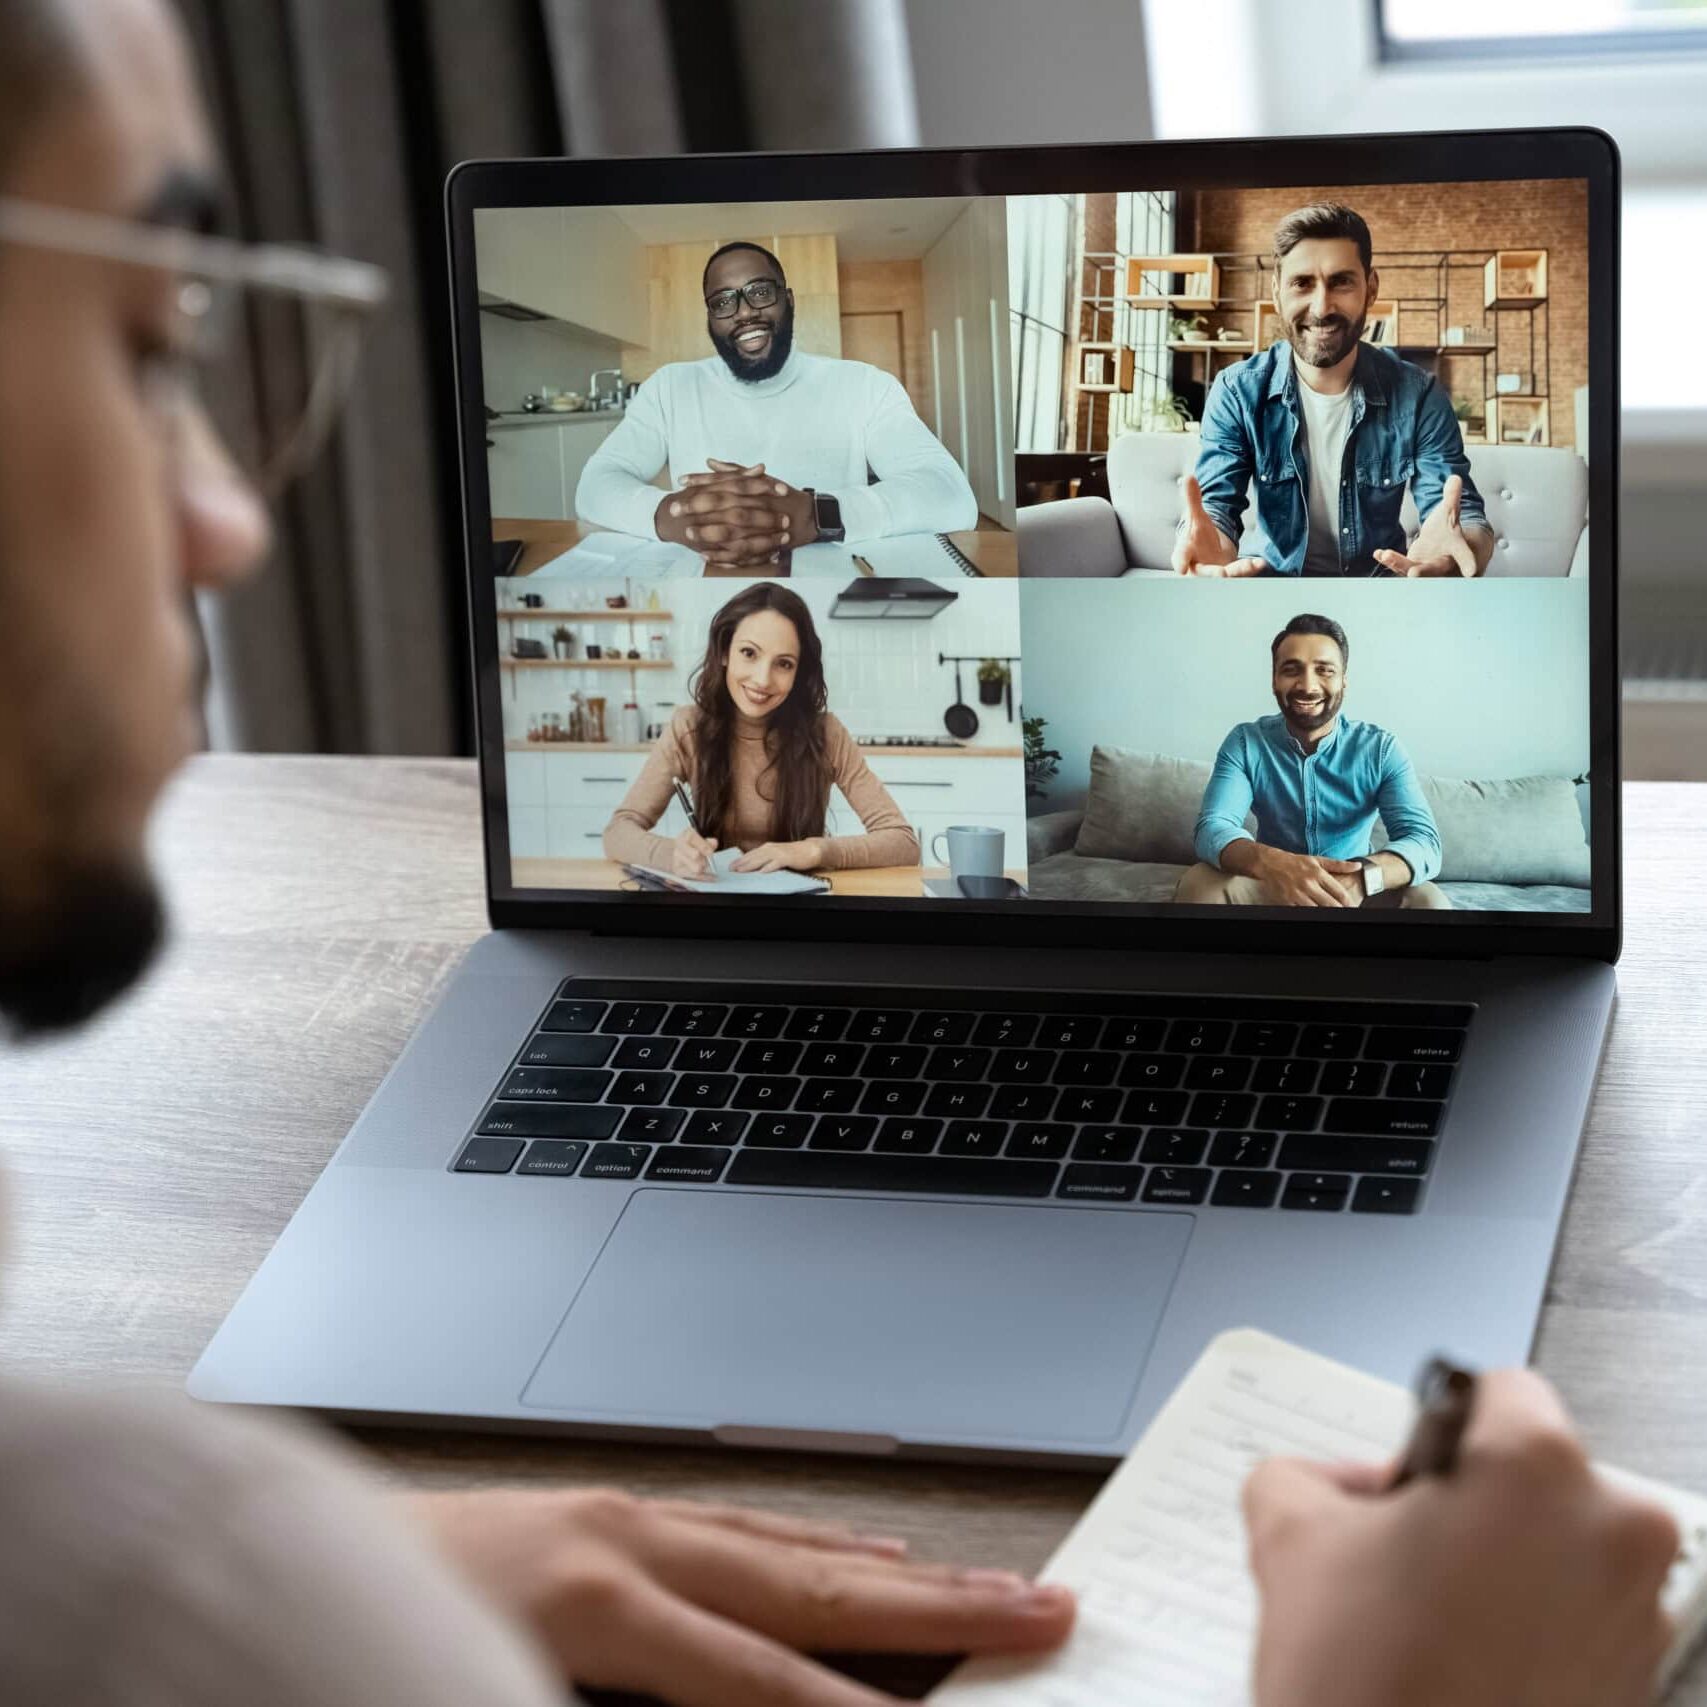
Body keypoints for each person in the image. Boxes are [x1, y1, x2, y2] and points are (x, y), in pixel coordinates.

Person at [0, 3, 1679, 1703]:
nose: (224, 522)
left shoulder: (895, 428)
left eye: (758, 297)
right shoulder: (147, 1573)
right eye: (147, 341)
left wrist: (1404, 728)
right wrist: (674, 527)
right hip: (708, 978)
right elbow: (627, 576)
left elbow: (966, 530)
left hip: (1348, 977)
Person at [575, 239, 978, 570]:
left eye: (760, 293)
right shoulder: (668, 386)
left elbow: (951, 496)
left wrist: (816, 515)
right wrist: (673, 515)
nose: (745, 313)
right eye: (723, 302)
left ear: (788, 300)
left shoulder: (865, 385)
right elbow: (595, 484)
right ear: (710, 318)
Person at [1172, 201, 1496, 580]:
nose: (1322, 307)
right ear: (1277, 292)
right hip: (1270, 586)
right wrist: (1209, 546)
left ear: (1370, 288)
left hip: (1379, 588)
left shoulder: (1419, 394)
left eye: (1341, 281)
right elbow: (1215, 509)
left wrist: (1458, 552)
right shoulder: (1237, 391)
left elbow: (1465, 517)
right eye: (1302, 283)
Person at [604, 582, 918, 878]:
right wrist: (671, 854)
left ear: (798, 673)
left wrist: (815, 850)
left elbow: (903, 842)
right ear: (725, 652)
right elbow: (618, 832)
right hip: (717, 903)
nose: (763, 679)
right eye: (749, 653)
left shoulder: (826, 733)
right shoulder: (689, 728)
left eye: (783, 664)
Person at [1175, 614, 1450, 908]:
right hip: (1271, 885)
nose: (1308, 686)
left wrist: (1361, 878)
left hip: (1356, 892)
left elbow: (1423, 842)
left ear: (1344, 680)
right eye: (1292, 670)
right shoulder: (1245, 742)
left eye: (1325, 670)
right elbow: (1213, 826)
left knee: (1427, 899)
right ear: (1274, 680)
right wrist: (1275, 865)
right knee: (1199, 884)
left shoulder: (1381, 749)